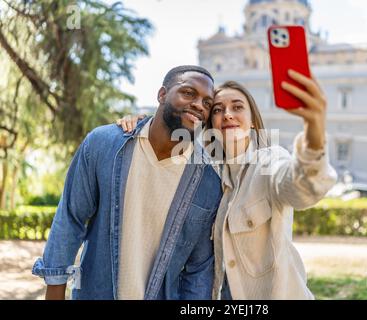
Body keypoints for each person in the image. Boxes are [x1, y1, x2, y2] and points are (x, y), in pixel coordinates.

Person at [118, 68, 337, 300]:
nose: (228, 114)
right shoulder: (206, 177)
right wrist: (143, 125)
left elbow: (302, 190)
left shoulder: (269, 161)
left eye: (238, 107)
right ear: (211, 123)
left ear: (252, 122)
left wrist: (314, 130)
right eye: (218, 110)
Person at [32, 65, 223, 300]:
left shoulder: (209, 181)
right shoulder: (103, 144)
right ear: (162, 95)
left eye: (207, 103)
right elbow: (71, 219)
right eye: (188, 93)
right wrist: (55, 290)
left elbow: (198, 269)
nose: (198, 105)